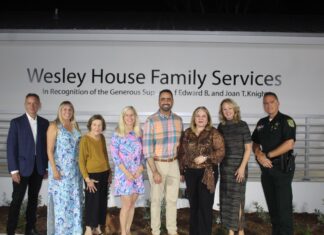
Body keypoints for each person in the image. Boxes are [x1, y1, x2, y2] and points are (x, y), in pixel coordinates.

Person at [252, 92, 296, 235]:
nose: (269, 105)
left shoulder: (286, 120)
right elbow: (255, 143)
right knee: (273, 209)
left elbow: (289, 144)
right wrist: (258, 154)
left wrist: (268, 155)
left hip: (282, 170)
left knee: (284, 209)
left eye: (272, 102)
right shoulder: (261, 123)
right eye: (265, 103)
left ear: (278, 103)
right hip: (266, 170)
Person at [178, 106, 225, 235]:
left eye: (203, 116)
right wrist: (181, 171)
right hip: (190, 174)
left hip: (208, 174)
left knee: (205, 207)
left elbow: (221, 152)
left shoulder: (213, 133)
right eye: (198, 116)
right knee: (194, 206)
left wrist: (206, 157)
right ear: (194, 118)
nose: (200, 118)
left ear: (208, 118)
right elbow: (181, 153)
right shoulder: (187, 133)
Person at [6, 93, 49, 235]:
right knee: (17, 200)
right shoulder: (16, 122)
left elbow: (46, 147)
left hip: (38, 168)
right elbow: (11, 147)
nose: (32, 106)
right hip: (21, 169)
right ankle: (10, 230)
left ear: (39, 105)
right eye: (29, 103)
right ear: (25, 104)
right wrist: (13, 170)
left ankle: (30, 228)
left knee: (33, 199)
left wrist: (46, 167)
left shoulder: (44, 123)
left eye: (35, 103)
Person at [143, 89, 183, 235]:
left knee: (172, 201)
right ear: (159, 101)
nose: (166, 101)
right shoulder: (151, 121)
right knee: (156, 201)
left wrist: (181, 169)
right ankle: (155, 231)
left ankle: (172, 231)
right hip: (157, 164)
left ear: (172, 101)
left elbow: (181, 147)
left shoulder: (178, 120)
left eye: (168, 99)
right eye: (163, 99)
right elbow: (147, 150)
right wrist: (154, 171)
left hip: (174, 164)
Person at [47, 101, 83, 235]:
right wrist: (54, 170)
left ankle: (75, 231)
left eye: (70, 110)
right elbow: (49, 150)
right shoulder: (54, 126)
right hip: (60, 171)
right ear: (60, 111)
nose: (67, 112)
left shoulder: (75, 126)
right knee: (62, 203)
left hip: (75, 171)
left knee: (75, 201)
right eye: (64, 109)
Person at [217, 98, 252, 235]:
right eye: (224, 109)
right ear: (222, 112)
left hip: (239, 168)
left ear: (235, 109)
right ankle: (233, 231)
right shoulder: (221, 127)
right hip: (225, 169)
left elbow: (248, 149)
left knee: (237, 200)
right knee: (227, 201)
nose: (227, 111)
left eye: (230, 108)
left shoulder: (243, 125)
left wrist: (242, 167)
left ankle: (239, 231)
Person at [110, 106, 145, 235]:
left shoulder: (139, 133)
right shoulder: (117, 133)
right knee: (126, 204)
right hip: (124, 174)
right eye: (127, 115)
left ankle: (128, 230)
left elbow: (144, 154)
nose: (129, 118)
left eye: (132, 115)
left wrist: (141, 167)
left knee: (132, 204)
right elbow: (115, 156)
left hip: (137, 174)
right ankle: (123, 232)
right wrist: (127, 173)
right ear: (123, 117)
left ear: (135, 117)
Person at [79, 114, 111, 235]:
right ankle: (88, 229)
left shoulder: (102, 137)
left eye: (99, 125)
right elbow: (81, 161)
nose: (97, 127)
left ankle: (97, 228)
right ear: (90, 125)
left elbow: (105, 154)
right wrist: (87, 179)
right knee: (91, 202)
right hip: (92, 175)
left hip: (104, 173)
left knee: (102, 202)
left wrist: (109, 171)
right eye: (94, 125)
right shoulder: (85, 139)